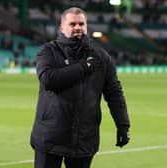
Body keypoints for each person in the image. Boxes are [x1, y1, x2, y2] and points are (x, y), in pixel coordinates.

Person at [30, 7, 130, 168]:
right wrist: (83, 67)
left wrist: (123, 125)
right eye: (72, 24)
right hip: (50, 137)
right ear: (62, 28)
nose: (78, 27)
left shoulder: (101, 57)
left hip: (84, 139)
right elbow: (48, 80)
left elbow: (114, 93)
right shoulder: (48, 51)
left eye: (81, 24)